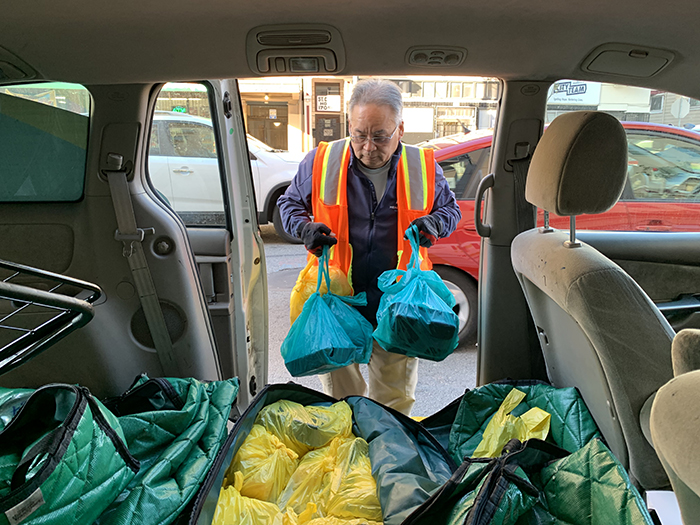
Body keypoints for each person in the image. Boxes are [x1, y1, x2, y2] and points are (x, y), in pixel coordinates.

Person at [278, 78, 461, 415]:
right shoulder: (320, 161)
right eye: (360, 135)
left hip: (398, 302)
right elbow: (288, 207)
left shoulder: (423, 166)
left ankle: (388, 456)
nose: (368, 146)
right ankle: (351, 459)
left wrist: (435, 223)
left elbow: (450, 210)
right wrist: (305, 229)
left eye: (380, 136)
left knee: (393, 401)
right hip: (337, 301)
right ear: (350, 125)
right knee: (343, 403)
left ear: (401, 129)